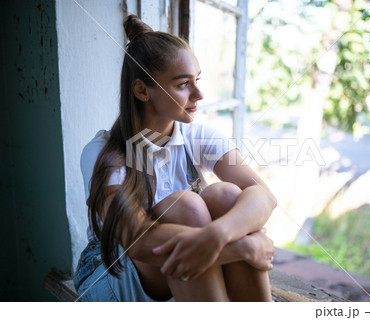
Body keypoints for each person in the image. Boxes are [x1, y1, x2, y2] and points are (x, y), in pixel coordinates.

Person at [74, 14, 277, 302]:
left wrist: (218, 234)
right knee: (187, 207)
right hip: (114, 273)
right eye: (183, 84)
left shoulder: (198, 135)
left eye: (197, 80)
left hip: (185, 266)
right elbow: (137, 242)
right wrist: (241, 247)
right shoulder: (105, 151)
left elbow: (263, 196)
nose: (199, 94)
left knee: (227, 195)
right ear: (143, 90)